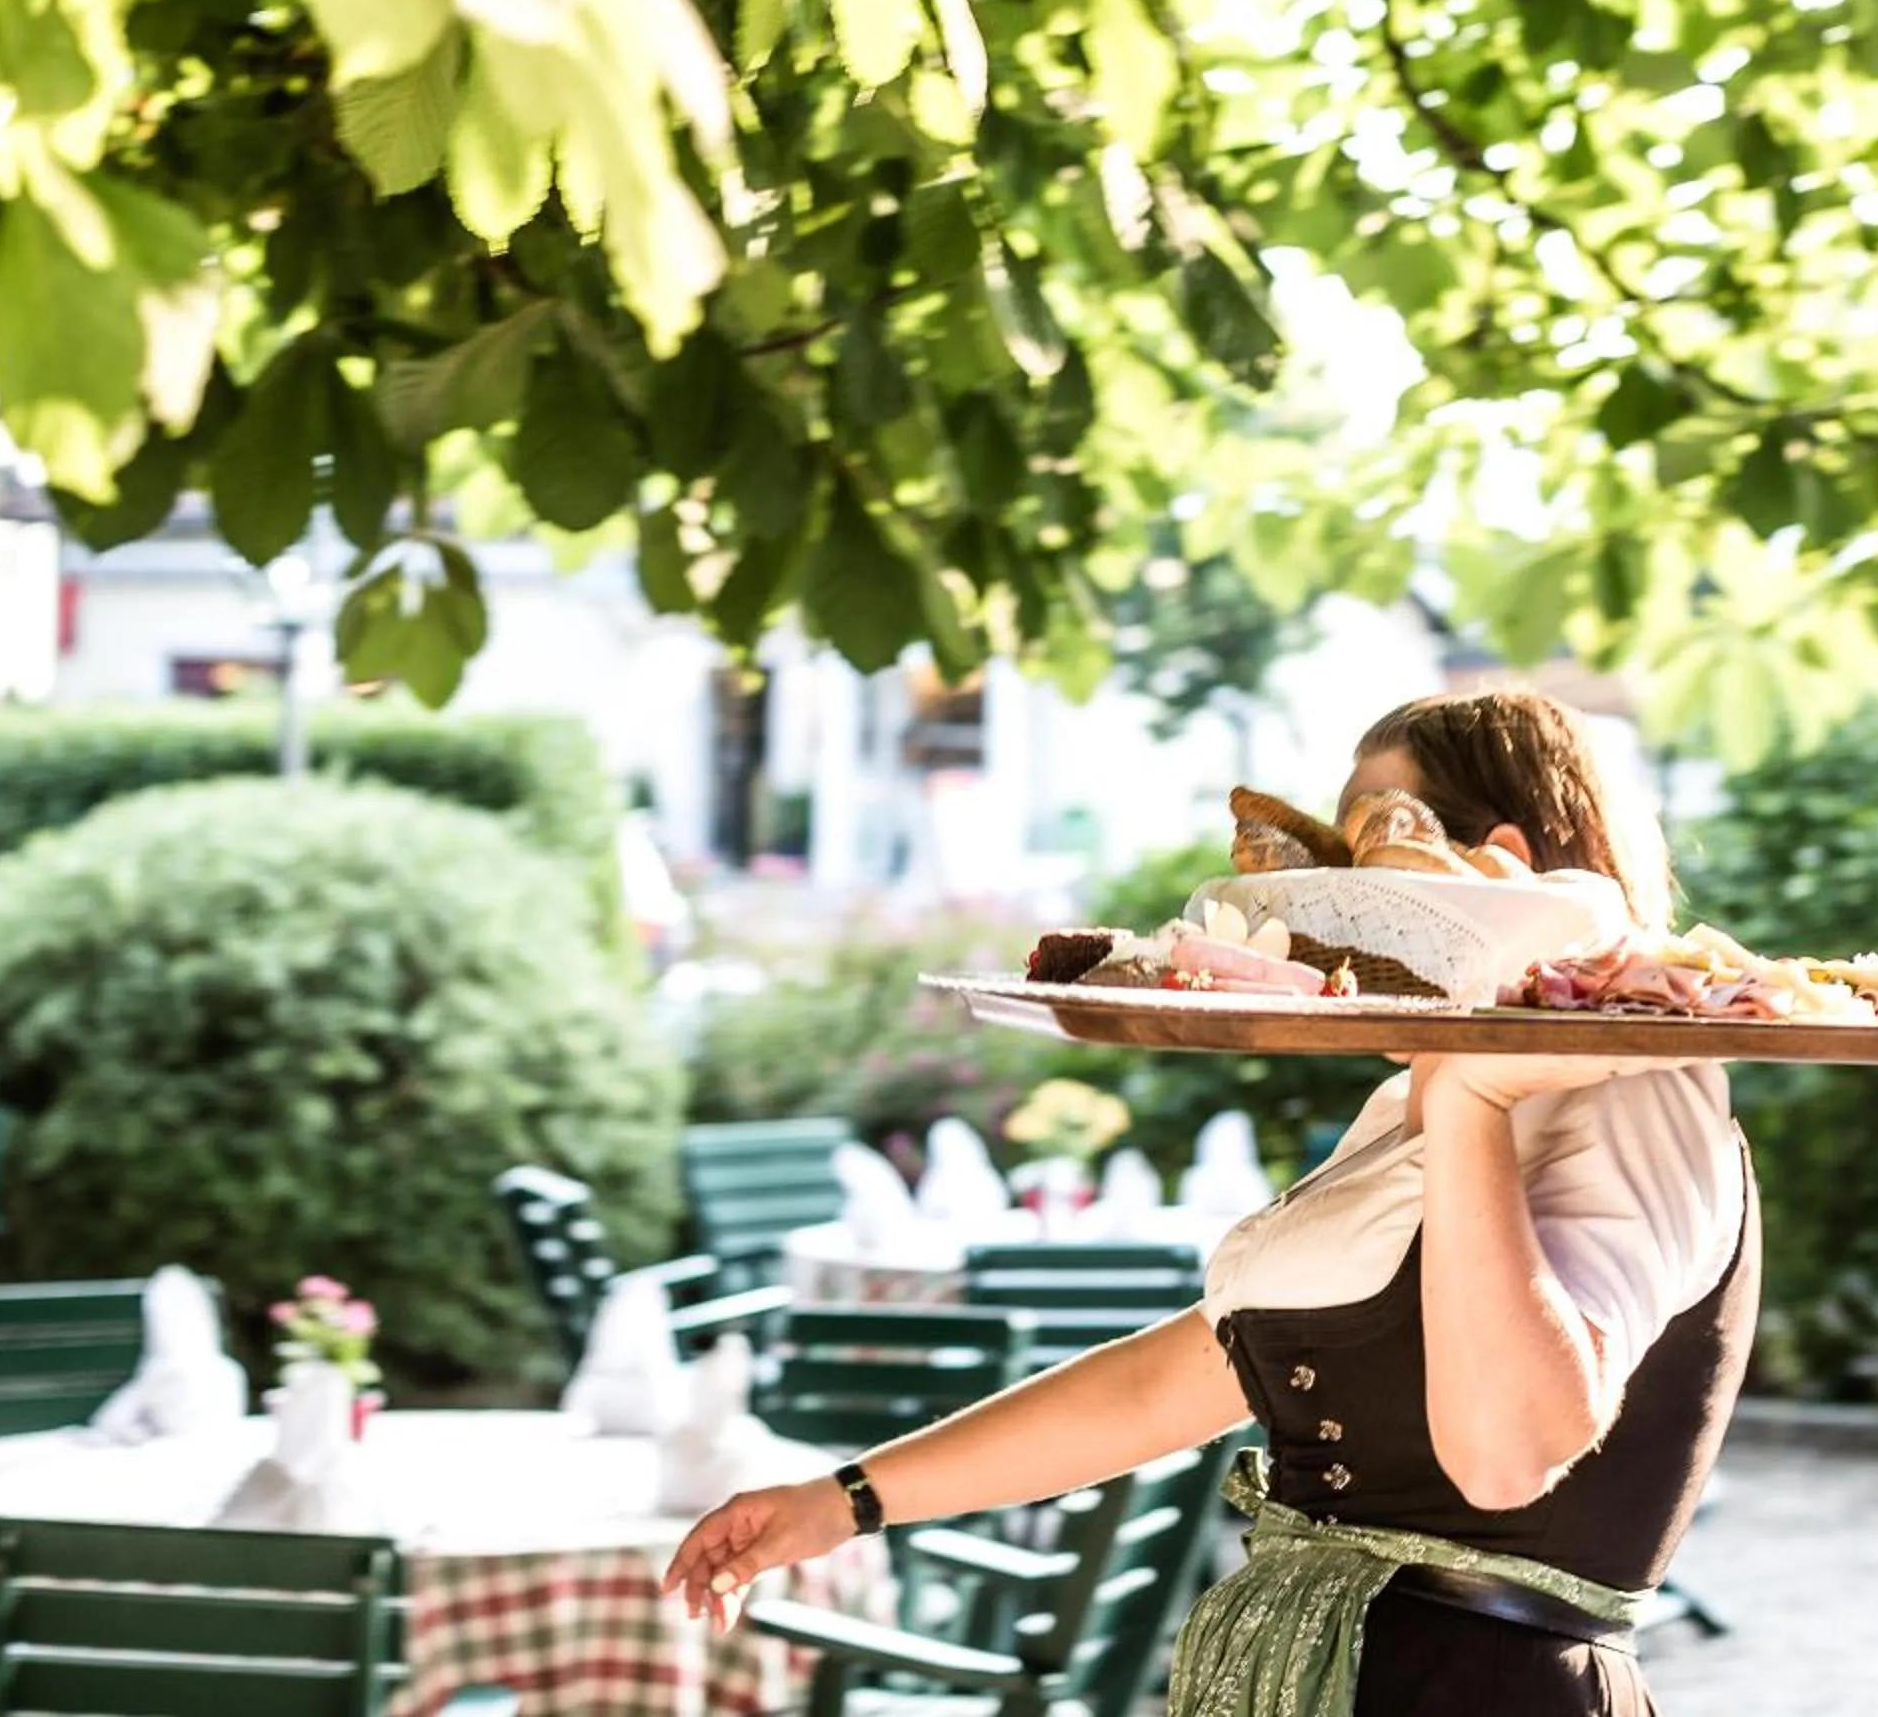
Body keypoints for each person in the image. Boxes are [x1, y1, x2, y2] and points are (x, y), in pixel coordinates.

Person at [663, 690, 1758, 1717]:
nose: (1333, 907)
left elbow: (1508, 1454)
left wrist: (1472, 1092)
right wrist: (842, 1498)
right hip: (1306, 1669)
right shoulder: (1407, 1098)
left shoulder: (1636, 1096)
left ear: (1505, 864)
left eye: (1367, 855)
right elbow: (1177, 1378)